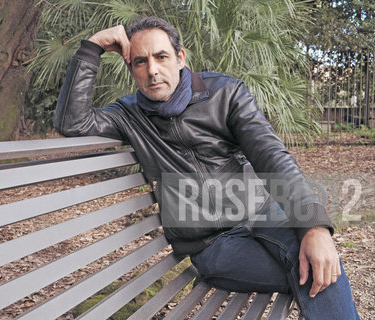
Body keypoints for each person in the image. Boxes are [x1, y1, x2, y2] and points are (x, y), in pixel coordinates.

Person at [54, 16, 359, 319]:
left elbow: (271, 155)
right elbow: (73, 122)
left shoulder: (225, 93)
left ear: (180, 58)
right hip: (212, 245)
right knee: (318, 271)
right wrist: (93, 47)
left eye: (161, 57)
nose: (153, 70)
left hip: (263, 215)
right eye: (140, 62)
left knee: (319, 260)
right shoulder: (128, 116)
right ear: (131, 69)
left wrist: (315, 227)